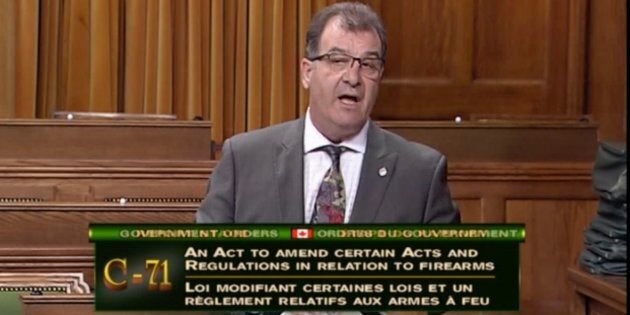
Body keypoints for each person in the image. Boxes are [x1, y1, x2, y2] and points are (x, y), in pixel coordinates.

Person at [197, 1, 459, 225]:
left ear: (379, 76)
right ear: (307, 72)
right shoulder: (244, 160)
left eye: (368, 64)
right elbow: (204, 265)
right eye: (337, 60)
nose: (353, 77)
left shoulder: (421, 173)